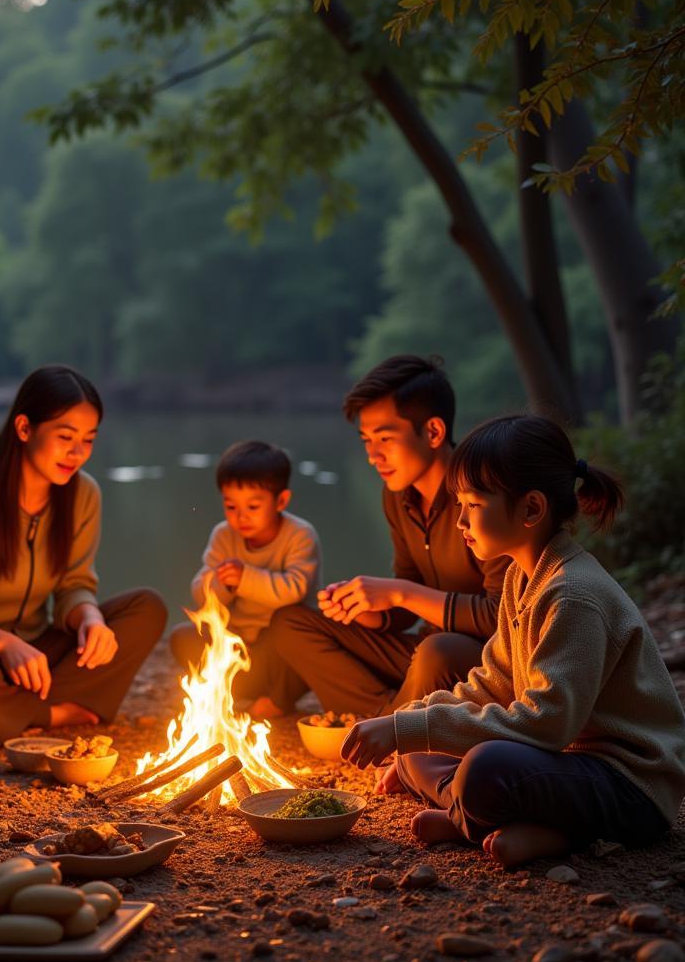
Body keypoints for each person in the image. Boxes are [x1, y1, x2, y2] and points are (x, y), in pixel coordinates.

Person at [341, 414, 685, 867]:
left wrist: (409, 730)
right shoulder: (522, 580)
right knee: (418, 754)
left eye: (473, 504)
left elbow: (547, 723)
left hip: (628, 787)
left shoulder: (573, 595)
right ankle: (483, 816)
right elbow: (492, 683)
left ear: (531, 509)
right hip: (561, 766)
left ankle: (529, 830)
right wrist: (407, 725)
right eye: (458, 503)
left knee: (485, 767)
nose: (460, 519)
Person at [0, 365, 167, 746]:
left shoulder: (83, 494)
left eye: (88, 440)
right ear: (24, 429)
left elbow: (75, 585)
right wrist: (4, 645)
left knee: (147, 608)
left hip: (34, 657)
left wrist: (90, 618)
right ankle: (49, 714)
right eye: (65, 436)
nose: (77, 452)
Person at [269, 355, 508, 717]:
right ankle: (391, 718)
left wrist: (399, 593)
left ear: (433, 432)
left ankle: (389, 726)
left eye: (384, 438)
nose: (373, 456)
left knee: (436, 652)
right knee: (290, 623)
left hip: (483, 663)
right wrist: (369, 609)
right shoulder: (398, 495)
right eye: (366, 440)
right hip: (422, 652)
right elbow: (408, 591)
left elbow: (500, 616)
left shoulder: (480, 495)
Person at [170, 440, 320, 718]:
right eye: (231, 506)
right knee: (183, 637)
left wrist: (245, 579)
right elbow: (200, 593)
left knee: (298, 639)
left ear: (281, 500)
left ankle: (278, 700)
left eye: (252, 506)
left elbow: (295, 589)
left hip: (280, 650)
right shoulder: (223, 535)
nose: (241, 517)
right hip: (238, 644)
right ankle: (226, 691)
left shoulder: (300, 534)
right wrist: (223, 585)